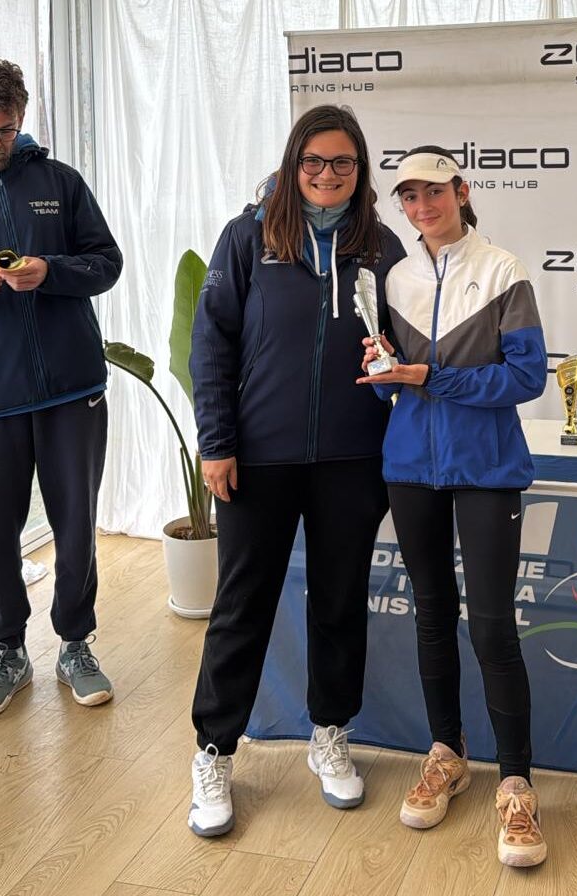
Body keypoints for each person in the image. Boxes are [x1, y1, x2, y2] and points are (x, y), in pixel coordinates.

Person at [187, 105, 405, 837]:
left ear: (360, 169)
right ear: (292, 164)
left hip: (353, 458)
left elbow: (406, 347)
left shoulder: (381, 247)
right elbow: (212, 343)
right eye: (313, 161)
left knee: (339, 601)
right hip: (258, 457)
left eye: (342, 162)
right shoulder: (248, 237)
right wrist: (217, 442)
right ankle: (215, 751)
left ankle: (330, 733)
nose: (326, 174)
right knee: (241, 605)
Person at [358, 146, 548, 867]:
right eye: (408, 196)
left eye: (434, 192)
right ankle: (447, 754)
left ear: (461, 191)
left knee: (493, 626)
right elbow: (395, 383)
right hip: (411, 467)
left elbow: (526, 378)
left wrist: (431, 376)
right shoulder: (395, 278)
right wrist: (385, 370)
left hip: (487, 468)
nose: (422, 207)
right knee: (433, 614)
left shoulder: (503, 270)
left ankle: (517, 785)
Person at [0, 58, 122, 720]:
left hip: (71, 388)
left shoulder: (61, 182)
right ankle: (7, 652)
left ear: (22, 118)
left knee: (76, 523)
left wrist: (49, 271)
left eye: (4, 130)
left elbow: (106, 263)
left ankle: (75, 645)